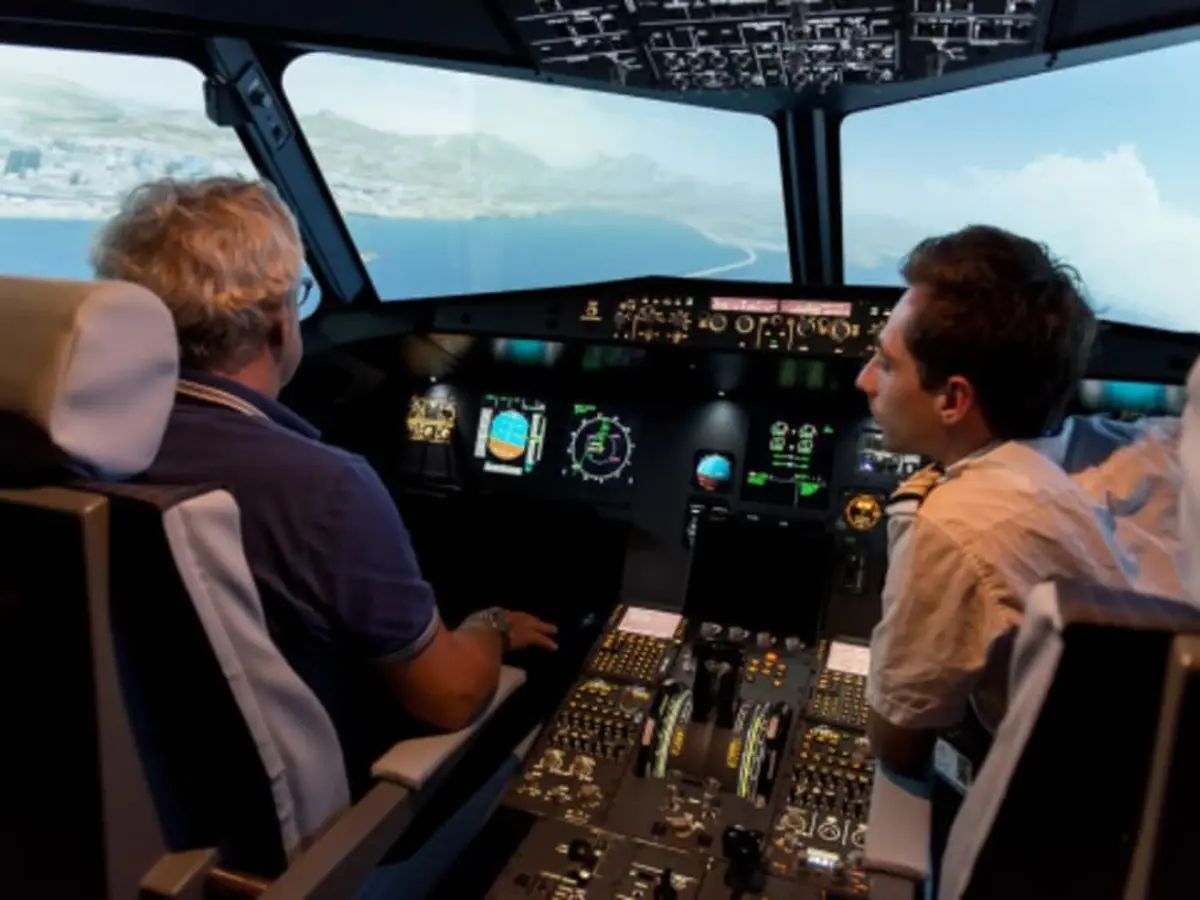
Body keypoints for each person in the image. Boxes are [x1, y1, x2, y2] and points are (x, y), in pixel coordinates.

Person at [90, 176, 558, 795]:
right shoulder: (322, 488)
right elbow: (449, 697)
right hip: (325, 841)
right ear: (280, 324)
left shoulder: (69, 450)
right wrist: (491, 626)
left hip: (136, 800)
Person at [854, 224, 1161, 779]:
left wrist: (912, 515)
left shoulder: (955, 519)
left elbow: (896, 739)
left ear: (953, 399)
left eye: (886, 364)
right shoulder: (1122, 445)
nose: (864, 381)